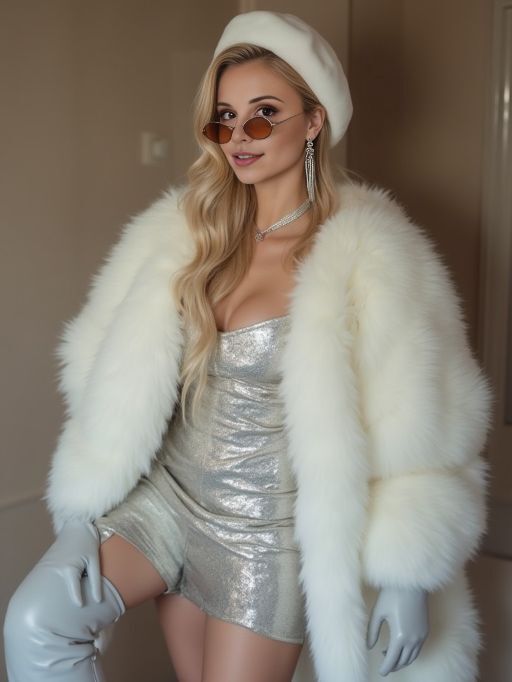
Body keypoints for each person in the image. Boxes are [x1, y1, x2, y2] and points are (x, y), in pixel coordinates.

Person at [3, 10, 492, 682]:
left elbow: (425, 421)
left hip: (267, 534)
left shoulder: (371, 254)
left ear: (314, 121)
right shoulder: (181, 233)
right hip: (163, 504)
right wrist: (83, 516)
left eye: (264, 115)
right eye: (224, 119)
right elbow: (105, 375)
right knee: (36, 622)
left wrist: (408, 576)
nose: (239, 136)